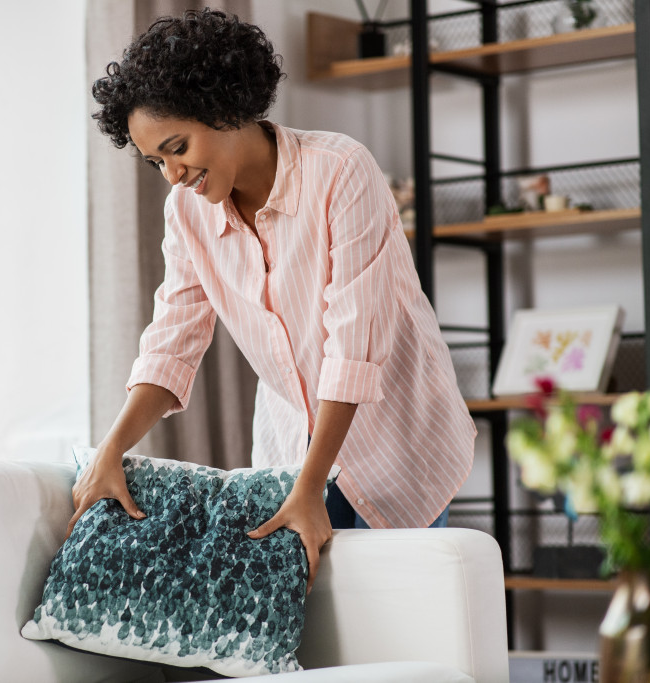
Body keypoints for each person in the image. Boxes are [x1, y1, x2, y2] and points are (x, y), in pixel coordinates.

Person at [70, 8, 476, 593]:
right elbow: (171, 344)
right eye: (157, 160)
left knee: (401, 615)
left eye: (178, 147)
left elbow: (354, 346)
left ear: (226, 106)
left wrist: (310, 489)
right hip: (290, 445)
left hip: (397, 437)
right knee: (311, 633)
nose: (172, 173)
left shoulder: (340, 171)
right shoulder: (186, 214)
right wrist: (111, 449)